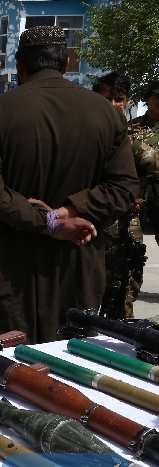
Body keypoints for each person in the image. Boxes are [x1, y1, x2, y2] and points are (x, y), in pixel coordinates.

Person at [0, 26, 139, 343]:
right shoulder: (106, 114)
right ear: (66, 64)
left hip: (13, 269)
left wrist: (51, 220)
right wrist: (68, 214)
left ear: (20, 67)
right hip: (78, 263)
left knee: (11, 363)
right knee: (73, 357)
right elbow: (125, 188)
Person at [92, 71, 143, 317]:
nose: (113, 105)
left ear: (127, 101)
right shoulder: (86, 135)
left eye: (119, 99)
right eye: (106, 99)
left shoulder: (138, 136)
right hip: (94, 223)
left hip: (127, 225)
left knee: (125, 293)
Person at [131, 81, 159, 245]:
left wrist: (135, 147)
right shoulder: (131, 127)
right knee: (131, 247)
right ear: (148, 98)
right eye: (157, 96)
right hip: (135, 197)